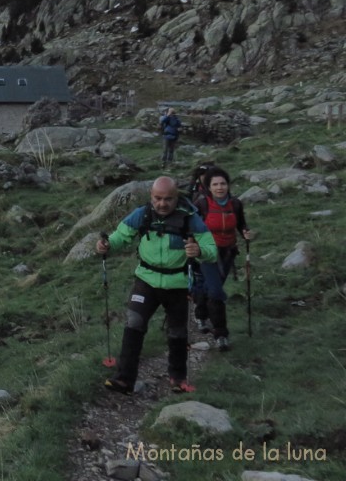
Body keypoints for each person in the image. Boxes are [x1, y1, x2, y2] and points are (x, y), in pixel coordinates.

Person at [96, 176, 217, 394]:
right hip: (146, 279)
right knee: (134, 323)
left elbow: (211, 249)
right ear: (151, 196)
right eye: (158, 198)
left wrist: (199, 251)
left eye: (168, 199)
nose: (162, 204)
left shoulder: (190, 218)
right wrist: (107, 245)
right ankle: (124, 379)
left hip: (178, 284)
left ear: (176, 197)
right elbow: (120, 237)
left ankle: (178, 378)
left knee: (178, 332)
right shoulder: (141, 214)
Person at [190, 166, 254, 351]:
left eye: (223, 183)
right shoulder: (201, 204)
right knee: (216, 292)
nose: (220, 187)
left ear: (228, 185)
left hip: (228, 253)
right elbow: (191, 226)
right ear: (208, 187)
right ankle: (221, 334)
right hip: (207, 253)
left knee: (210, 289)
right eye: (215, 184)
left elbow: (241, 224)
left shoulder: (235, 204)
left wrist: (246, 233)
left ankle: (201, 314)